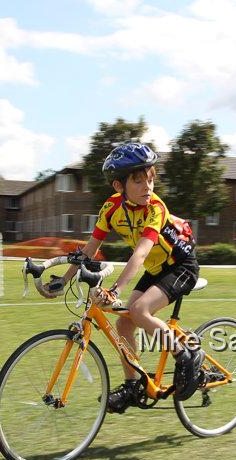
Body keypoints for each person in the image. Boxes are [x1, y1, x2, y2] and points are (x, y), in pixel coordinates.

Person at [42, 142, 205, 412]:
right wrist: (64, 279)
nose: (148, 187)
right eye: (139, 181)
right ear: (119, 186)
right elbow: (90, 249)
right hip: (156, 270)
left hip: (181, 266)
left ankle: (187, 355)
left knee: (139, 310)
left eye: (150, 179)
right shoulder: (111, 208)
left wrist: (116, 289)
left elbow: (140, 254)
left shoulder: (156, 209)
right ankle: (133, 386)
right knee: (124, 324)